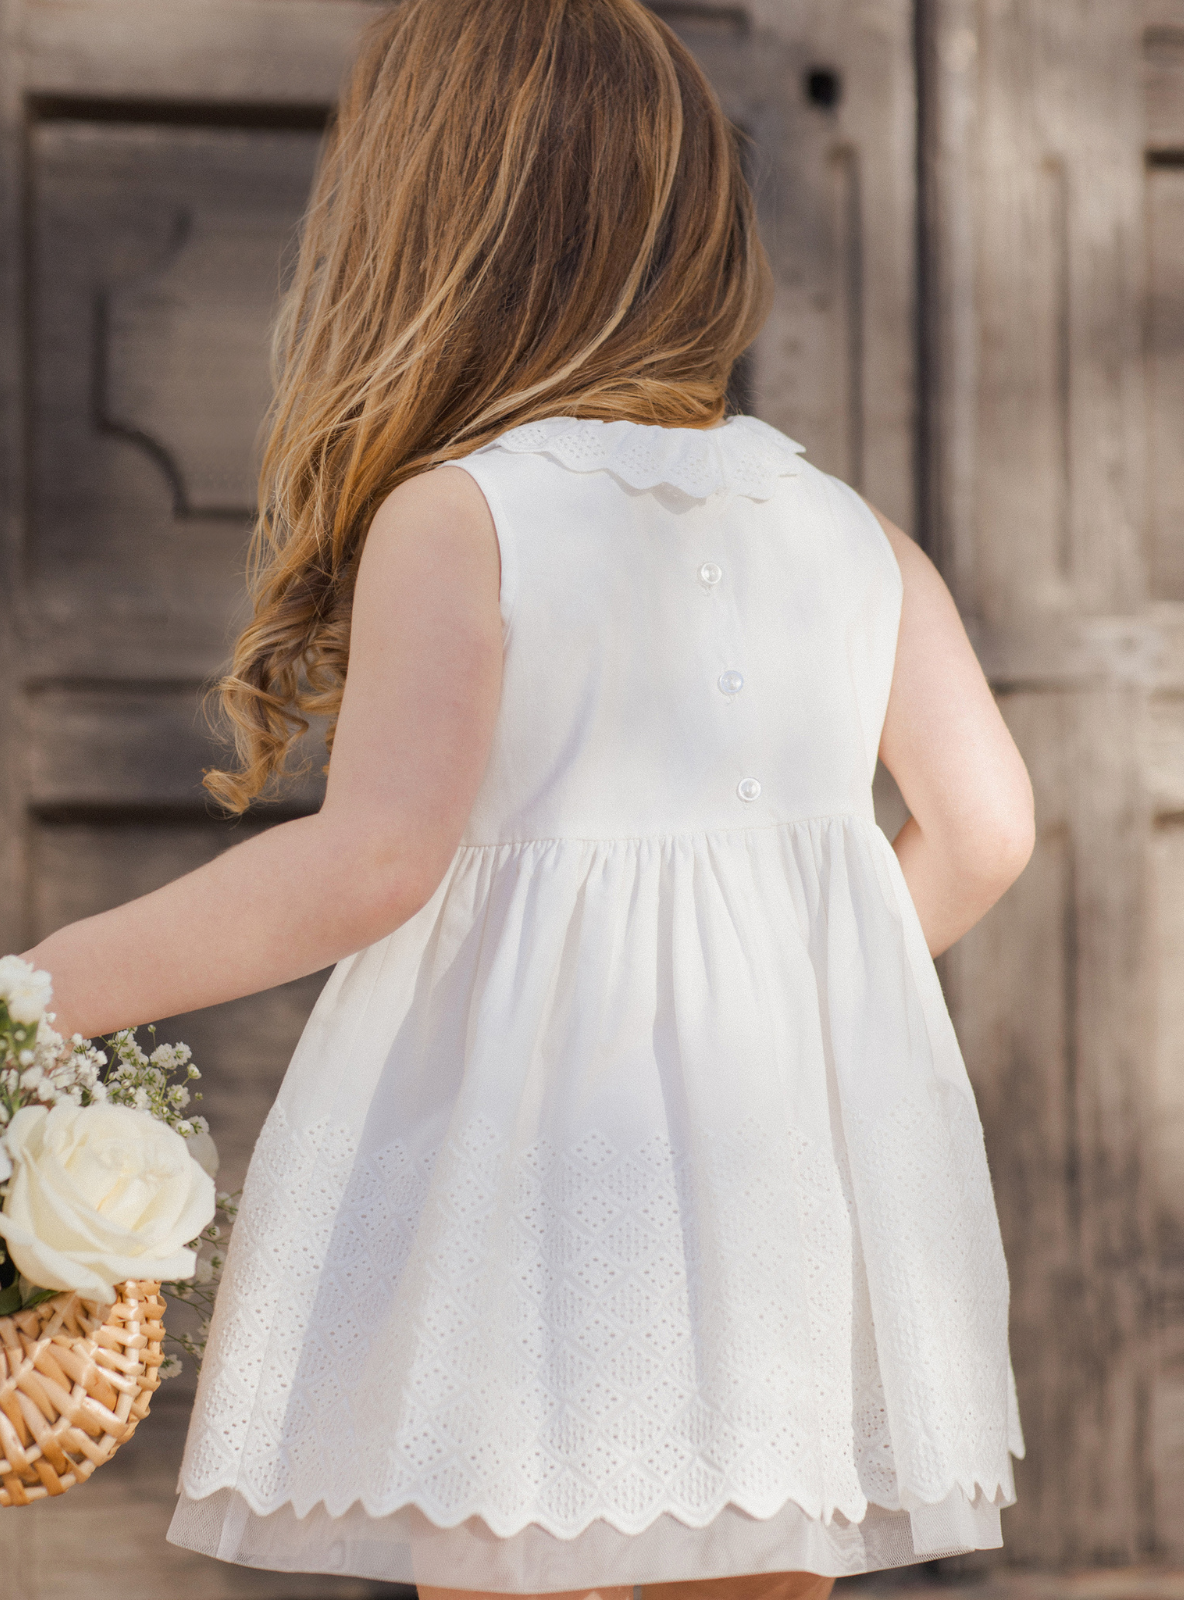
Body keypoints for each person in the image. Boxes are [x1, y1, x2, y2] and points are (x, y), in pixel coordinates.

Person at [22, 2, 1035, 1596]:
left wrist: (43, 991)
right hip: (780, 1190)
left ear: (418, 231)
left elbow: (373, 860)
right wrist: (783, 1008)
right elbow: (987, 830)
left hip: (545, 1198)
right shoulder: (846, 529)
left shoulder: (467, 514)